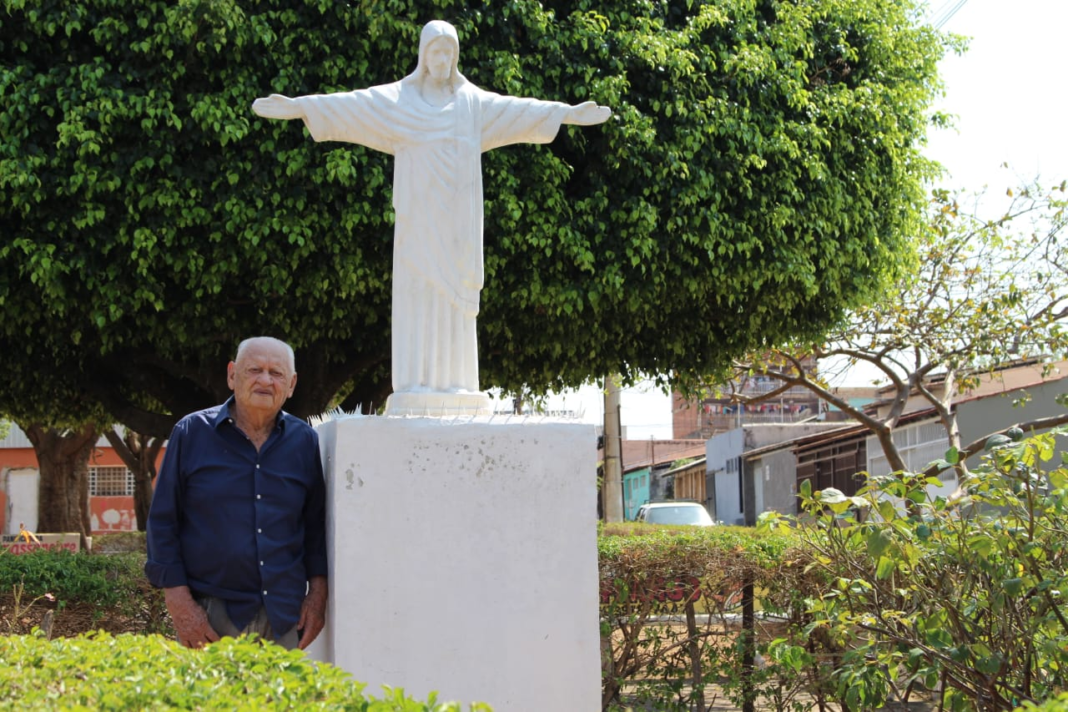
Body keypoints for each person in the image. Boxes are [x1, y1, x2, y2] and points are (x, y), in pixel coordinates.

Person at [252, 20, 610, 411]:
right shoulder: (400, 101)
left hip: (457, 223)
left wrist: (565, 114)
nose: (442, 60)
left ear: (455, 58)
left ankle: (456, 383)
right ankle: (416, 382)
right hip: (418, 221)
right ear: (424, 57)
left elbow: (517, 111)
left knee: (454, 302)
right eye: (435, 52)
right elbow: (353, 105)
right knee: (419, 294)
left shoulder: (471, 104)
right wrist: (302, 107)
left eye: (448, 53)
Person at [145, 337, 327, 650]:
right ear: (232, 375)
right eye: (254, 369)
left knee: (280, 701)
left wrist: (317, 599)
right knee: (205, 702)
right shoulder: (191, 433)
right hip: (208, 618)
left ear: (292, 384)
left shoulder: (304, 442)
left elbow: (314, 529)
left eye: (277, 373)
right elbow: (163, 523)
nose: (266, 380)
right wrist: (179, 604)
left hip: (284, 618)